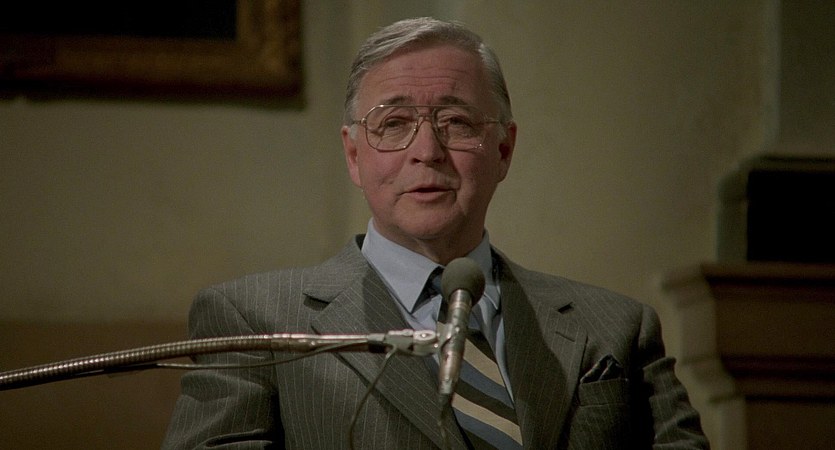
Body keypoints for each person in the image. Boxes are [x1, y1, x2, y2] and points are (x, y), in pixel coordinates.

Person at [163, 17, 709, 450]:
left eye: (457, 123)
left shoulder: (616, 329)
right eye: (394, 124)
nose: (427, 151)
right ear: (354, 155)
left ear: (503, 151)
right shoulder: (256, 322)